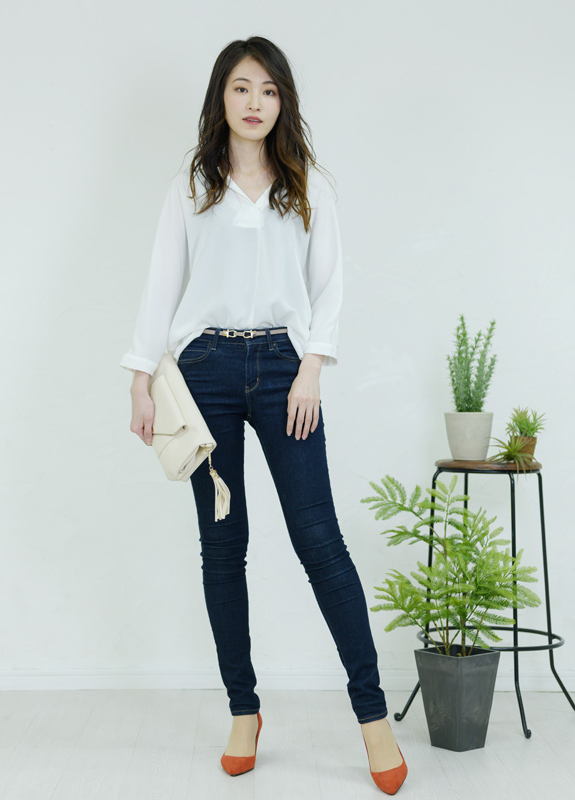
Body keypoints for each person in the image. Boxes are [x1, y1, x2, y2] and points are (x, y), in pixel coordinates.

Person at [120, 36, 408, 795]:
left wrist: (312, 367)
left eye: (269, 90)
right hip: (205, 373)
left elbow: (330, 284)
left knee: (321, 542)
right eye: (242, 88)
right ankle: (243, 711)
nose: (255, 103)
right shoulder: (193, 184)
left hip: (286, 369)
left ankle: (372, 717)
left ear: (284, 102)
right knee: (224, 548)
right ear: (221, 97)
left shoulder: (306, 183)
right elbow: (161, 283)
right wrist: (140, 379)